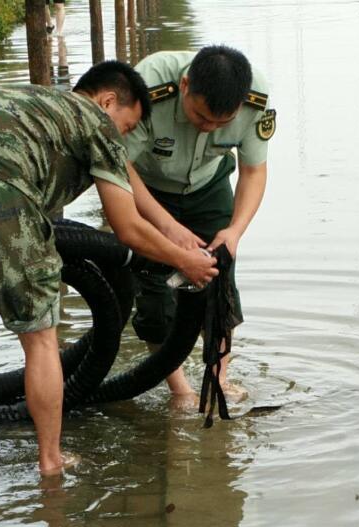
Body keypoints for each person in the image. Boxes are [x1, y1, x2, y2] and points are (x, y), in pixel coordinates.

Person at [0, 60, 218, 480]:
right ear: (108, 101)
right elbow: (126, 229)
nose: (123, 139)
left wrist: (176, 234)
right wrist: (184, 261)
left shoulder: (28, 99)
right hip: (1, 199)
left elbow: (132, 192)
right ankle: (51, 460)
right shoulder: (97, 122)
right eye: (127, 128)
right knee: (40, 340)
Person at [124, 46, 276, 399]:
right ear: (185, 84)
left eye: (221, 124)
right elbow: (119, 168)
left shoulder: (256, 98)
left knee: (219, 282)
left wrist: (235, 231)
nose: (208, 128)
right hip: (148, 189)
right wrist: (166, 226)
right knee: (156, 297)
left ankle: (218, 380)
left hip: (209, 186)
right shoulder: (148, 87)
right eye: (201, 116)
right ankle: (180, 392)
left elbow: (254, 171)